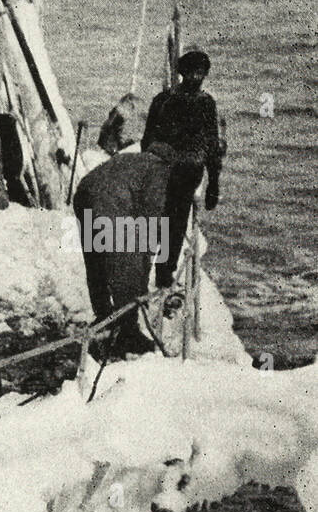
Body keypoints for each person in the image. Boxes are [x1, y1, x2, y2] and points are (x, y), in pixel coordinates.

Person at [71, 143, 177, 355]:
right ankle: (128, 333)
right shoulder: (160, 170)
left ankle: (104, 315)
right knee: (126, 266)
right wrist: (143, 278)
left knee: (96, 261)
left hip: (84, 194)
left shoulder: (130, 158)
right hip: (111, 204)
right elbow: (150, 220)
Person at [141, 50, 224, 287]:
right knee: (170, 224)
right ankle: (159, 272)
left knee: (171, 223)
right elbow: (148, 140)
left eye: (200, 73)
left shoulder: (173, 100)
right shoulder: (171, 101)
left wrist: (213, 185)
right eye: (192, 73)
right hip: (171, 171)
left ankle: (162, 272)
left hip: (179, 173)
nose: (196, 78)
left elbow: (210, 144)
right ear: (182, 73)